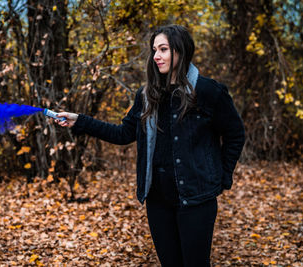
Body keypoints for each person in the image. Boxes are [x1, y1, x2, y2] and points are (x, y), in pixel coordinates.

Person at [55, 25, 245, 267]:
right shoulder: (147, 95)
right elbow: (123, 133)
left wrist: (223, 176)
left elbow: (235, 134)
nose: (156, 56)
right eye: (154, 50)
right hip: (158, 201)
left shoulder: (208, 92)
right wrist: (80, 121)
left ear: (181, 50)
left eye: (163, 49)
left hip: (196, 200)